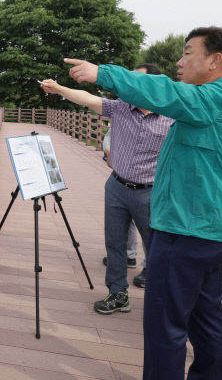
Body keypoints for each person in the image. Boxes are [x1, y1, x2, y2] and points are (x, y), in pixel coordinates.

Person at [65, 26, 222, 379]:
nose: (179, 61)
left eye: (187, 52)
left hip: (187, 231)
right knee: (206, 315)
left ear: (215, 60)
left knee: (165, 325)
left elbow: (165, 92)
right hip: (212, 230)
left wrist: (104, 73)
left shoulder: (215, 98)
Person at [41, 63, 172, 314]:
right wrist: (58, 89)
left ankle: (161, 299)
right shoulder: (122, 108)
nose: (130, 83)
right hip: (117, 186)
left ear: (153, 86)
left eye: (137, 79)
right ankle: (117, 293)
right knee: (114, 243)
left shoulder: (171, 116)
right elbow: (88, 99)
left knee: (156, 247)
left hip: (151, 192)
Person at [103, 129, 142, 271]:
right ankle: (128, 255)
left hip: (150, 182)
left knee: (150, 227)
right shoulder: (124, 110)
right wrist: (108, 151)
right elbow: (110, 135)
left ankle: (150, 266)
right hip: (121, 178)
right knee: (126, 218)